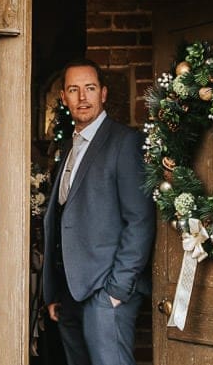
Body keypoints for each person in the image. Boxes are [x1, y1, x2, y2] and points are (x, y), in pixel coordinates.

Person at [41, 59, 155, 365]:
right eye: (74, 90)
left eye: (90, 88)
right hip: (69, 294)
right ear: (62, 98)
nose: (83, 97)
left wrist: (116, 290)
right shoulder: (68, 147)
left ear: (103, 93)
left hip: (106, 293)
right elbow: (60, 220)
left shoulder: (125, 143)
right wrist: (54, 291)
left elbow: (140, 220)